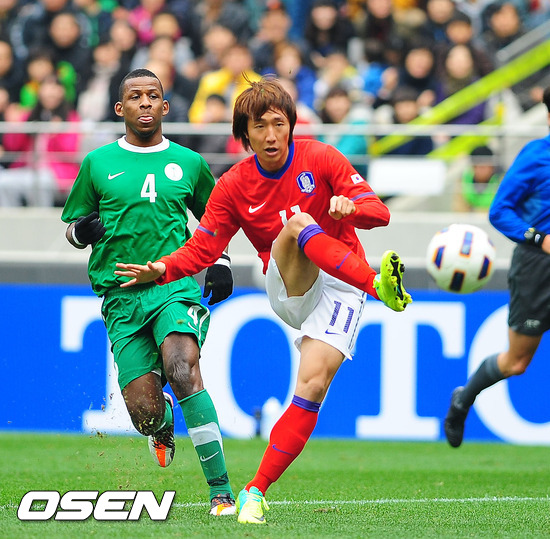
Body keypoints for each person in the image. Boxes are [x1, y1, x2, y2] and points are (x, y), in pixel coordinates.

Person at [114, 76, 412, 524]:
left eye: (278, 124)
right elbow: (203, 249)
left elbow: (379, 212)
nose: (271, 135)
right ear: (245, 134)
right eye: (259, 127)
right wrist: (163, 267)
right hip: (289, 281)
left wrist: (353, 209)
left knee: (313, 387)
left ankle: (255, 492)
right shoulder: (234, 185)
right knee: (299, 225)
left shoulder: (322, 157)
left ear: (291, 125)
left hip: (341, 286)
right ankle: (379, 286)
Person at [60, 68, 237, 516]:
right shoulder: (97, 163)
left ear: (165, 106)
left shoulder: (189, 163)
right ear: (120, 108)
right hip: (120, 297)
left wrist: (221, 261)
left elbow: (215, 220)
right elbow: (73, 226)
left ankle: (221, 492)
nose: (144, 103)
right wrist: (82, 232)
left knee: (181, 367)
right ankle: (161, 425)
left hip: (172, 285)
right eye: (135, 96)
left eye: (152, 95)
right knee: (144, 412)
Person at [443, 86, 550, 449]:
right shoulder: (535, 156)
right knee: (516, 362)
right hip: (538, 268)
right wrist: (539, 238)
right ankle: (463, 399)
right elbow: (500, 210)